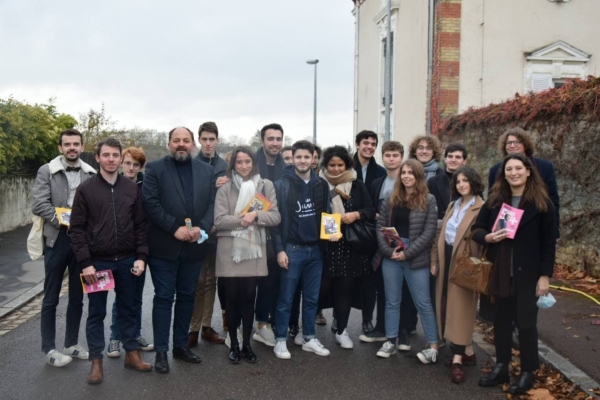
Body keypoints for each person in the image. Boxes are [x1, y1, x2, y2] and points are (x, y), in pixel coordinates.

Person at [70, 138, 153, 384]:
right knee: (96, 313)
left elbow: (140, 226)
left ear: (119, 158)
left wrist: (141, 257)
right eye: (106, 155)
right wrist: (86, 263)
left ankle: (132, 354)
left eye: (115, 155)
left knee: (128, 309)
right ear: (97, 158)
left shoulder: (132, 189)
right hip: (97, 264)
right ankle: (96, 362)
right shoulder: (86, 190)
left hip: (127, 261)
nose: (111, 159)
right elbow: (76, 230)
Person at [474, 153, 556, 395]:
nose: (513, 173)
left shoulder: (543, 204)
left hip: (528, 274)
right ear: (503, 174)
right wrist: (488, 237)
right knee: (501, 323)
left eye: (518, 168)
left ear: (528, 171)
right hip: (501, 272)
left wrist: (545, 276)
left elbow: (549, 243)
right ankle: (502, 366)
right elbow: (477, 230)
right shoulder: (495, 201)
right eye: (508, 169)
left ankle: (528, 371)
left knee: (527, 323)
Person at [142, 126, 216, 373]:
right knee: (164, 298)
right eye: (176, 140)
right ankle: (161, 352)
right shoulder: (154, 169)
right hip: (164, 246)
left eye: (186, 140)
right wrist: (174, 228)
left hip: (194, 247)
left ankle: (180, 346)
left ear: (193, 144)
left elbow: (212, 205)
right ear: (168, 144)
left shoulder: (206, 171)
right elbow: (150, 203)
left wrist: (201, 228)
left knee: (187, 296)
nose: (181, 144)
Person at [31, 128, 95, 367]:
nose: (72, 148)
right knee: (51, 297)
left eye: (76, 144)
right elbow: (39, 204)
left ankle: (71, 343)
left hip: (82, 241)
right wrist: (63, 220)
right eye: (67, 144)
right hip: (56, 239)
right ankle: (49, 348)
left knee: (78, 297)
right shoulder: (46, 171)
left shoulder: (90, 174)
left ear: (81, 146)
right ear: (60, 148)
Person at [214, 147, 281, 364]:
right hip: (229, 252)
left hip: (254, 250)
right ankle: (233, 344)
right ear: (233, 164)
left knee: (248, 300)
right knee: (232, 300)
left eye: (247, 161)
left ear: (253, 162)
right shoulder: (224, 188)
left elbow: (275, 217)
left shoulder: (265, 185)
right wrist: (245, 219)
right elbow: (219, 221)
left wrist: (256, 214)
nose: (244, 166)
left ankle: (247, 345)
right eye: (239, 162)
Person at [373, 160, 439, 363]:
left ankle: (433, 346)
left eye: (411, 173)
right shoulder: (391, 198)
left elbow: (429, 233)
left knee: (424, 303)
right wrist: (387, 251)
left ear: (419, 176)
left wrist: (407, 253)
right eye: (404, 173)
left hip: (416, 256)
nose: (407, 176)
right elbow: (380, 227)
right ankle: (390, 341)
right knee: (392, 302)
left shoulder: (428, 200)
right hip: (391, 254)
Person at [271, 140, 331, 359]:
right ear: (293, 158)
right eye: (299, 157)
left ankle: (308, 337)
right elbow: (276, 223)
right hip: (292, 249)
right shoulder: (281, 185)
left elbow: (326, 214)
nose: (303, 161)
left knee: (312, 299)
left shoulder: (321, 184)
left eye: (308, 157)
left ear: (313, 159)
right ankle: (280, 340)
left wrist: (329, 235)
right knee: (286, 298)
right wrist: (280, 250)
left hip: (315, 250)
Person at [430, 166, 484, 384]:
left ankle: (458, 359)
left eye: (466, 180)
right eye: (459, 181)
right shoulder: (453, 205)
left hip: (466, 263)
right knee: (445, 305)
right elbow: (441, 234)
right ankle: (466, 351)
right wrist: (434, 260)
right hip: (447, 258)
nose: (462, 184)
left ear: (474, 182)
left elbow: (483, 237)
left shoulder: (482, 206)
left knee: (462, 309)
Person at [317, 146, 375, 349]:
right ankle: (306, 329)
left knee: (345, 290)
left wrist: (356, 215)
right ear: (325, 165)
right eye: (331, 165)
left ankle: (342, 331)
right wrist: (326, 228)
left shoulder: (357, 185)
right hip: (324, 247)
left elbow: (369, 209)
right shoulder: (318, 184)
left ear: (346, 165)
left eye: (340, 165)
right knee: (319, 289)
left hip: (349, 247)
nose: (335, 169)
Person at [107, 147, 154, 358]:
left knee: (137, 296)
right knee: (122, 296)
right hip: (120, 249)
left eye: (136, 164)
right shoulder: (113, 185)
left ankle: (134, 334)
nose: (131, 168)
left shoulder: (146, 185)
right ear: (121, 164)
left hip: (141, 249)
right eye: (128, 163)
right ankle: (115, 337)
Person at [188, 122, 227, 347]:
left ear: (217, 140)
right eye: (204, 139)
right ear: (199, 141)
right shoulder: (193, 164)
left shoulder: (224, 165)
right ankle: (192, 328)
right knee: (198, 281)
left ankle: (206, 327)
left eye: (212, 139)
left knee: (211, 280)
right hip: (198, 229)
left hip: (217, 232)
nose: (208, 143)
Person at [361, 140, 404, 343]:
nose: (391, 159)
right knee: (381, 286)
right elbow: (370, 210)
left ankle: (402, 331)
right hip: (380, 240)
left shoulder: (407, 181)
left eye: (395, 155)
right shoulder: (377, 182)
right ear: (382, 157)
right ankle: (381, 327)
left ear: (401, 158)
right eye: (388, 155)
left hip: (403, 241)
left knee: (403, 288)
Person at [488, 127, 560, 238]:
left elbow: (553, 200)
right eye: (509, 143)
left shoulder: (544, 167)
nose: (512, 145)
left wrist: (554, 232)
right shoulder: (495, 170)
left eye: (517, 142)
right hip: (505, 227)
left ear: (525, 144)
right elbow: (492, 202)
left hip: (536, 223)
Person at [253, 123, 286, 347]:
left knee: (270, 281)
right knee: (246, 284)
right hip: (250, 231)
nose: (275, 143)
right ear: (262, 140)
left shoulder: (287, 167)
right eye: (270, 139)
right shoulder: (250, 164)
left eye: (278, 139)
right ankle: (236, 327)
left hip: (277, 233)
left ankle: (263, 325)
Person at [427, 143, 468, 222]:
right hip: (437, 227)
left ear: (464, 161)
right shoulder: (433, 182)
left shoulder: (471, 182)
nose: (453, 160)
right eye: (450, 156)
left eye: (458, 157)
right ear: (445, 159)